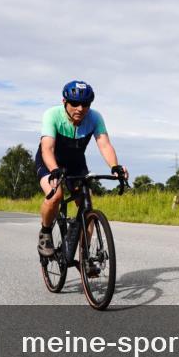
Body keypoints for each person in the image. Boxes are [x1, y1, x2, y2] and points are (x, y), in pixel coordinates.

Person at [35, 80, 127, 257]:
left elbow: (105, 145)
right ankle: (45, 232)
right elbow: (47, 148)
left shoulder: (94, 118)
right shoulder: (52, 115)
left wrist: (115, 167)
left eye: (85, 104)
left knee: (86, 204)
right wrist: (55, 169)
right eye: (75, 103)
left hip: (76, 163)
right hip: (50, 161)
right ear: (64, 102)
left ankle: (86, 258)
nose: (80, 108)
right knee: (56, 195)